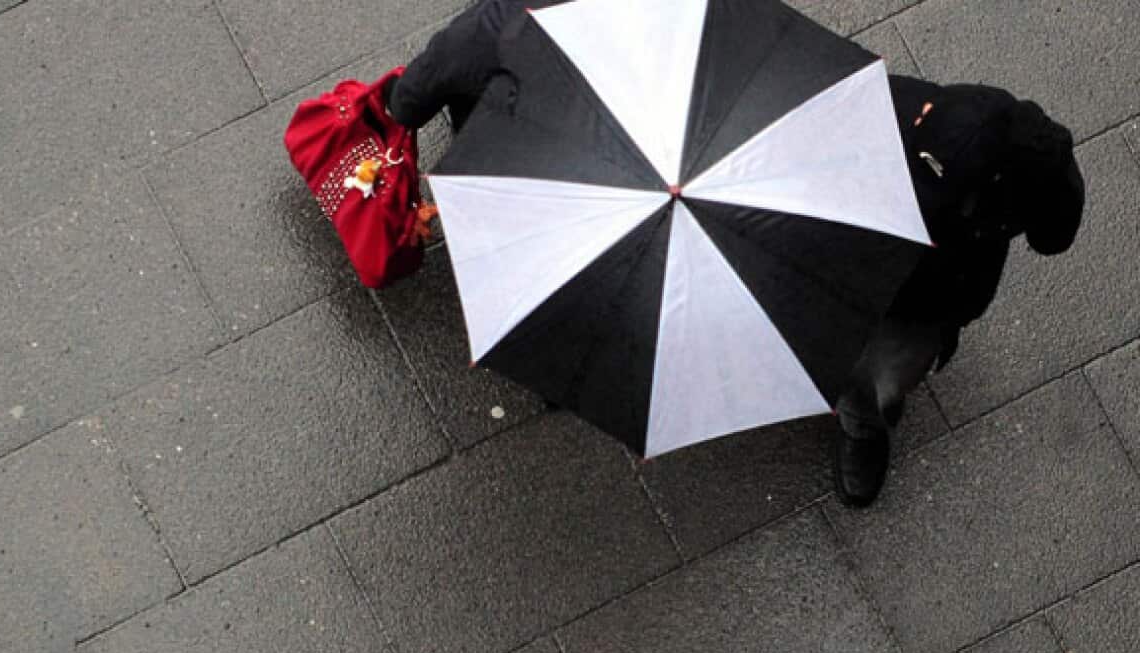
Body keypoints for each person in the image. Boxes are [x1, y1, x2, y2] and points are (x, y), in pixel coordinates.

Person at [388, 0, 1087, 507]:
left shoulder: (991, 163)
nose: (923, 122)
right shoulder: (909, 114)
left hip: (904, 285)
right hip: (796, 236)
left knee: (869, 371)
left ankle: (861, 417)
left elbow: (1053, 233)